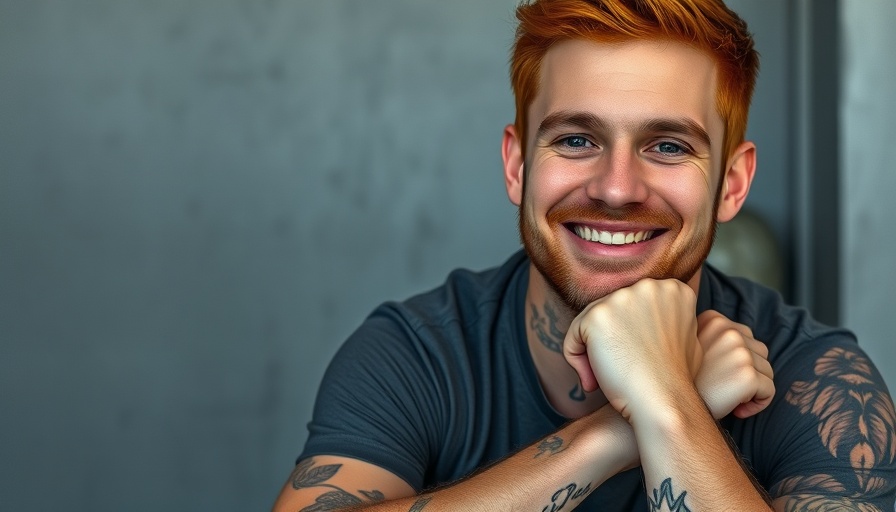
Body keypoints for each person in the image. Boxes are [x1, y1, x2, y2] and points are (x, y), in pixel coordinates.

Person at [274, 0, 896, 510]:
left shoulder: (819, 382)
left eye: (670, 146)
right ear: (517, 166)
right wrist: (626, 427)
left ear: (732, 183)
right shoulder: (414, 354)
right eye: (576, 139)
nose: (616, 187)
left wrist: (666, 406)